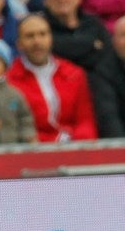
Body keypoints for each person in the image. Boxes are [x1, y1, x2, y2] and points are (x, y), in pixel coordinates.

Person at [6, 14, 98, 143]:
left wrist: (81, 145)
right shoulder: (9, 80)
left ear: (51, 38)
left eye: (42, 34)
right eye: (30, 36)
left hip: (75, 149)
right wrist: (54, 141)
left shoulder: (74, 74)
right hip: (33, 152)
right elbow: (14, 127)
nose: (37, 41)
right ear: (19, 44)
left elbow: (85, 119)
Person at [42, 0, 111, 74]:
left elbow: (107, 54)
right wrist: (91, 44)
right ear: (46, 1)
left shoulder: (93, 22)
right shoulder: (42, 26)